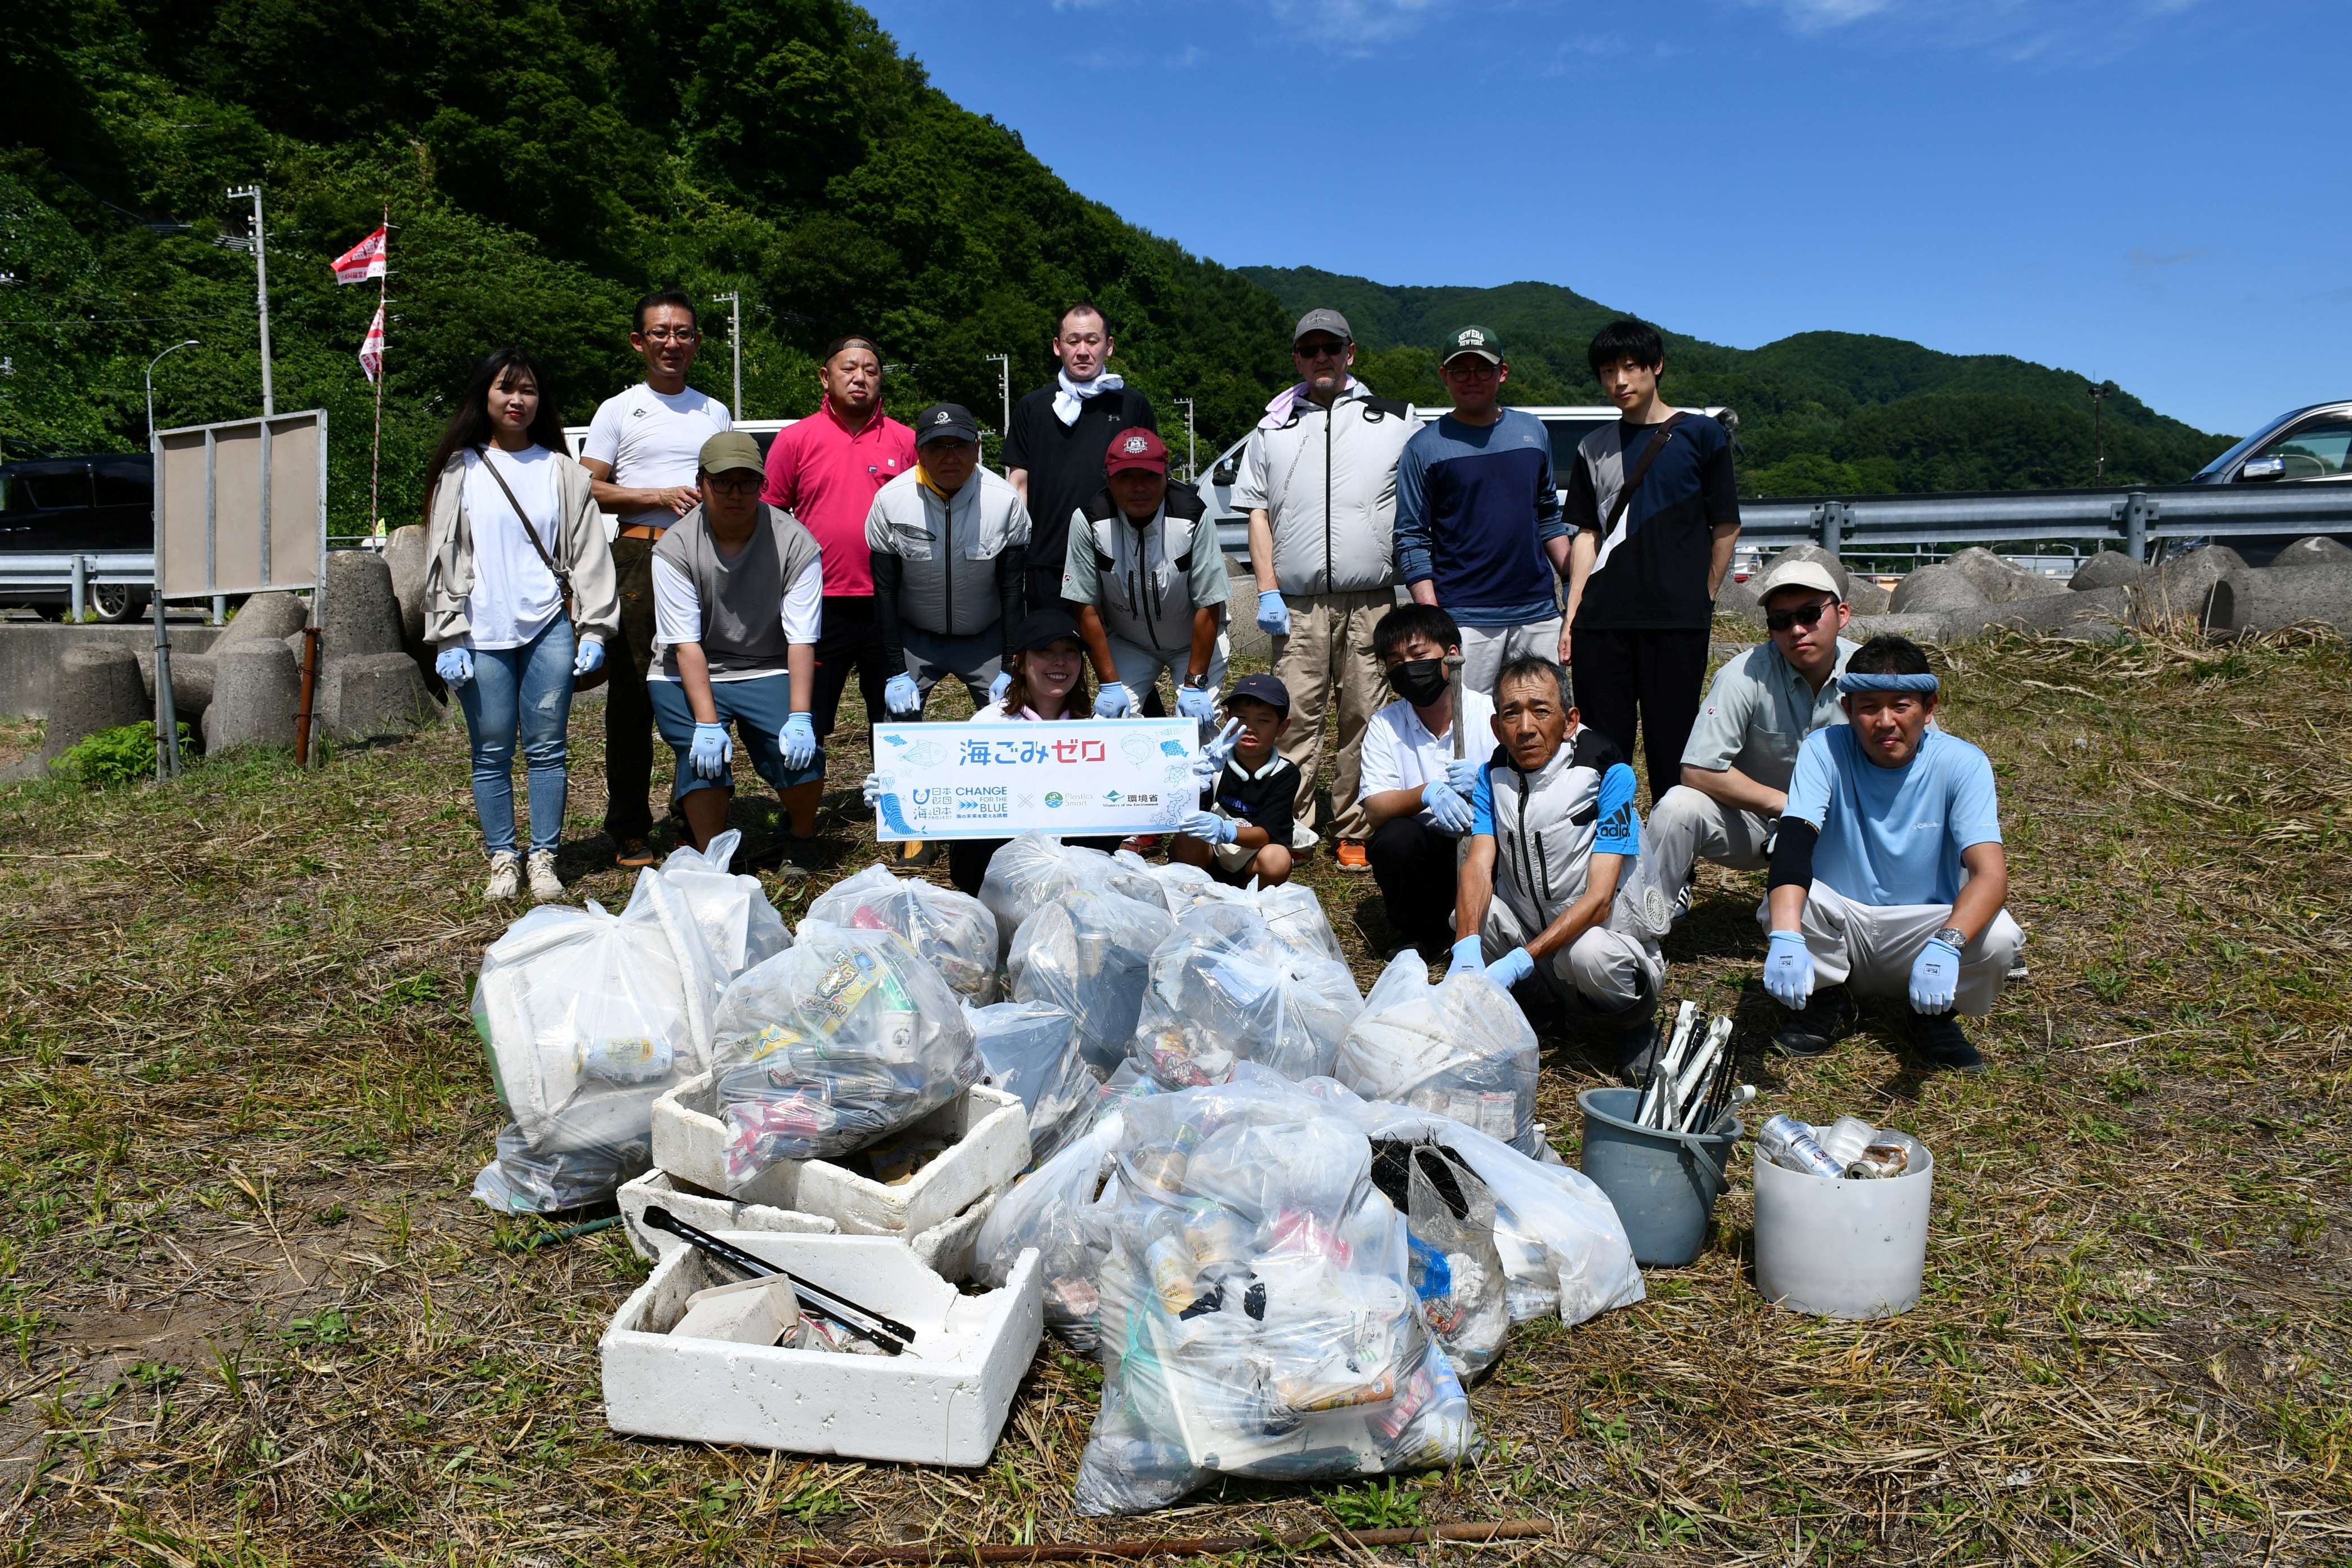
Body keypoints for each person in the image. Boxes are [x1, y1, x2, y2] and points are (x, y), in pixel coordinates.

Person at [1761, 635, 2024, 1070]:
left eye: (1901, 705)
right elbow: (1793, 842)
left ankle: (1935, 1017)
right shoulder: (1823, 749)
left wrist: (1949, 945)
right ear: (1847, 709)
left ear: (1929, 707)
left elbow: (1990, 875)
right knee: (1783, 908)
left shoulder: (1963, 762)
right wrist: (1787, 937)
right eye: (1868, 707)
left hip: (1923, 932)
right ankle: (1827, 1000)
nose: (1885, 721)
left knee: (2000, 938)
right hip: (1843, 924)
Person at [422, 348, 618, 902]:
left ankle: (545, 857)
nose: (518, 400)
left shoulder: (561, 470)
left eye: (528, 390)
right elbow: (442, 555)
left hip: (547, 627)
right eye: (506, 389)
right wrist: (447, 632)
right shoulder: (458, 470)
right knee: (489, 750)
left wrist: (597, 629)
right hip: (480, 633)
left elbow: (587, 553)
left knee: (548, 748)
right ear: (484, 396)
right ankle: (503, 857)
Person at [1237, 308, 1420, 868]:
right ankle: (1285, 821)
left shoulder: (1394, 420)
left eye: (1332, 348)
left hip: (1371, 598)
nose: (1322, 358)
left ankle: (1355, 827)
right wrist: (1267, 588)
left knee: (1365, 713)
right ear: (1297, 357)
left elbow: (1422, 501)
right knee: (1292, 713)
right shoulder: (1273, 428)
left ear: (1351, 353)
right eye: (1310, 349)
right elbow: (1257, 513)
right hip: (1295, 600)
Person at [1450, 656, 1666, 1080]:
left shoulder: (1608, 771)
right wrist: (1465, 948)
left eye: (1540, 710)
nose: (1526, 727)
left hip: (1603, 939)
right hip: (1536, 940)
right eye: (1512, 713)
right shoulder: (1490, 776)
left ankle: (1633, 1028)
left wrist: (1521, 959)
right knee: (1470, 916)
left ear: (1570, 721)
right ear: (1497, 727)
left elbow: (1601, 899)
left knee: (1591, 955)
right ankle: (1544, 1013)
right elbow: (1477, 866)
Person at [579, 288, 733, 867]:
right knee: (633, 695)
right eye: (661, 333)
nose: (673, 343)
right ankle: (629, 826)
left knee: (704, 692)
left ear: (696, 342)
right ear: (639, 341)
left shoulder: (714, 411)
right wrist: (657, 495)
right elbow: (586, 486)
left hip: (706, 559)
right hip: (639, 559)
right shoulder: (619, 409)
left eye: (684, 333)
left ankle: (693, 816)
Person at [1562, 318, 1743, 798]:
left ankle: (1673, 863)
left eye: (1630, 367)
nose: (1619, 381)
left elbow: (1725, 526)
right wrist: (1572, 614)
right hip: (1602, 622)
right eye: (1607, 371)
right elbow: (1586, 534)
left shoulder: (1702, 436)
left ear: (1656, 366)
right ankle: (1610, 862)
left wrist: (1702, 594)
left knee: (1674, 747)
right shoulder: (1592, 447)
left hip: (1676, 620)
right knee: (1602, 751)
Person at [1636, 558, 1859, 928]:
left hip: (1845, 825)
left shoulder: (1868, 672)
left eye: (1809, 614)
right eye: (1781, 621)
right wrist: (1786, 807)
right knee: (1677, 806)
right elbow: (1697, 770)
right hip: (1760, 823)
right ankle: (1644, 927)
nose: (1797, 630)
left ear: (1843, 613)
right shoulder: (1743, 675)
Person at [645, 432, 828, 876]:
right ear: (701, 483)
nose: (735, 494)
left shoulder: (796, 542)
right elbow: (685, 643)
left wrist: (801, 717)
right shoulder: (674, 547)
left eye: (747, 482)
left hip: (766, 664)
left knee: (801, 753)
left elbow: (802, 638)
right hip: (684, 667)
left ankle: (801, 837)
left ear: (763, 485)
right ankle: (713, 861)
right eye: (722, 482)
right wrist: (707, 724)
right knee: (700, 753)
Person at [865, 402, 1031, 866]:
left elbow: (1014, 588)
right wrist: (896, 669)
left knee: (1014, 721)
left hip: (986, 633)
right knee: (896, 723)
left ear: (978, 448)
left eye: (960, 445)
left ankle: (1010, 823)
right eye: (938, 446)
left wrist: (1009, 662)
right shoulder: (891, 501)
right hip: (917, 634)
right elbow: (884, 590)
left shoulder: (1003, 501)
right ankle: (913, 828)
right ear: (919, 451)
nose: (950, 456)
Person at [858, 607, 1116, 896]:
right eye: (1045, 651)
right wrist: (897, 790)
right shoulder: (990, 723)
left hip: (1076, 875)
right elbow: (949, 785)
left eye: (1070, 652)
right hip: (999, 873)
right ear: (1019, 663)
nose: (1060, 662)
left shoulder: (1098, 730)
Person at [760, 335, 916, 761]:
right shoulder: (795, 439)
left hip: (888, 601)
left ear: (882, 380)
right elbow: (769, 512)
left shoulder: (906, 441)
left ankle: (899, 814)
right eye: (849, 369)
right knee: (810, 712)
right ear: (825, 377)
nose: (860, 377)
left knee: (892, 715)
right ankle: (806, 813)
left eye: (870, 369)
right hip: (818, 602)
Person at [1396, 326, 1569, 698]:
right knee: (1466, 728)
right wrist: (1434, 617)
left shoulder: (1533, 432)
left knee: (1544, 722)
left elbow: (1549, 518)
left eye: (1483, 369)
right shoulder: (1423, 448)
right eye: (1460, 370)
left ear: (1502, 372)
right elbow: (1410, 537)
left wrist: (1575, 582)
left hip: (1538, 613)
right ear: (1444, 375)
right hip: (1465, 618)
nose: (1471, 379)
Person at [1062, 429, 1230, 722]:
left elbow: (1209, 603)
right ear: (1108, 479)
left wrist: (1194, 685)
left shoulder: (1193, 516)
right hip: (1129, 642)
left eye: (1150, 476)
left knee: (1200, 727)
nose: (1139, 487)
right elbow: (1085, 605)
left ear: (1166, 475)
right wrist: (1110, 685)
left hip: (1194, 641)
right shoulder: (1089, 519)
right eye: (1126, 477)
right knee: (1109, 723)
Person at [1357, 604, 1494, 955]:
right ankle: (1421, 931)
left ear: (1451, 655)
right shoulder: (1386, 724)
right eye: (1395, 662)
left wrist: (1486, 784)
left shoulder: (1490, 713)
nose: (1407, 668)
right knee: (1394, 838)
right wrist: (1427, 793)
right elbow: (1375, 807)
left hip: (1489, 846)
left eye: (1418, 655)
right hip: (1428, 852)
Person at [1004, 303, 1157, 616]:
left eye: (1093, 340)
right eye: (1073, 342)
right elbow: (1018, 485)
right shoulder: (1033, 407)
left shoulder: (1133, 405)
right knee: (1049, 658)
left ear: (1109, 346)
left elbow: (1152, 482)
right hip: (1046, 560)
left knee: (1115, 659)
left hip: (1119, 557)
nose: (1083, 351)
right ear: (1058, 347)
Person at [1173, 673, 1298, 888]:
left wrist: (1226, 830)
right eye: (1241, 718)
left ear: (1282, 727)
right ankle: (1189, 894)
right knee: (1187, 840)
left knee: (1277, 859)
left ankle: (1253, 901)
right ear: (1227, 717)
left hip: (1252, 859)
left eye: (1264, 720)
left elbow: (1266, 836)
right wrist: (1194, 783)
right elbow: (1181, 812)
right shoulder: (1212, 761)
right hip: (1211, 853)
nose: (1250, 728)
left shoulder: (1285, 774)